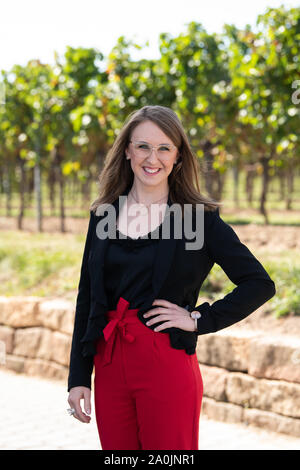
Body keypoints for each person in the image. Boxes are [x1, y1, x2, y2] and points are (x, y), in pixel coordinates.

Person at [67, 105, 276, 450]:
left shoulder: (194, 219)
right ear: (127, 151)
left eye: (165, 148)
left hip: (166, 363)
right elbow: (87, 296)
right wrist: (78, 377)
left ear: (178, 156)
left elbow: (259, 284)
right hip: (109, 363)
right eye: (144, 146)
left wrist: (198, 319)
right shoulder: (104, 215)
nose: (153, 158)